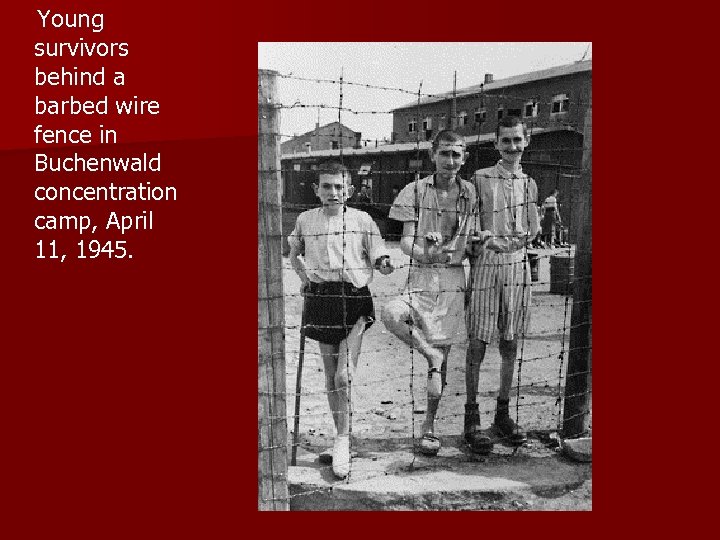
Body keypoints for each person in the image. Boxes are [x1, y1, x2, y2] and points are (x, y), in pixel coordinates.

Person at [288, 162, 395, 479]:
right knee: (330, 374)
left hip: (354, 296)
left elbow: (377, 253)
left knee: (344, 376)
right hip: (322, 298)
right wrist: (305, 278)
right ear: (316, 189)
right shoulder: (307, 220)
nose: (333, 192)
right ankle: (340, 435)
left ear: (349, 190)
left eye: (339, 187)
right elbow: (294, 253)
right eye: (326, 186)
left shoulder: (362, 219)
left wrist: (385, 263)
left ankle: (343, 441)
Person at [381, 130, 476, 456]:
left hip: (452, 279)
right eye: (445, 153)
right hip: (421, 276)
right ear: (433, 155)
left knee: (444, 361)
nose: (451, 161)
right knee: (391, 314)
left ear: (464, 158)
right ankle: (428, 353)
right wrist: (425, 252)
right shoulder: (415, 190)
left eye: (457, 154)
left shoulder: (469, 193)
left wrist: (473, 247)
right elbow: (406, 241)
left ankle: (429, 427)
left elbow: (469, 241)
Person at [464, 117, 540, 453]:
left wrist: (517, 241)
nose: (512, 147)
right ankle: (471, 417)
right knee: (478, 342)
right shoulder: (479, 179)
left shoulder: (530, 183)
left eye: (517, 140)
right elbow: (470, 226)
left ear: (526, 141)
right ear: (496, 144)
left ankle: (503, 414)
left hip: (517, 265)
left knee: (510, 342)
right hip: (486, 264)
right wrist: (485, 240)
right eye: (505, 141)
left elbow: (533, 228)